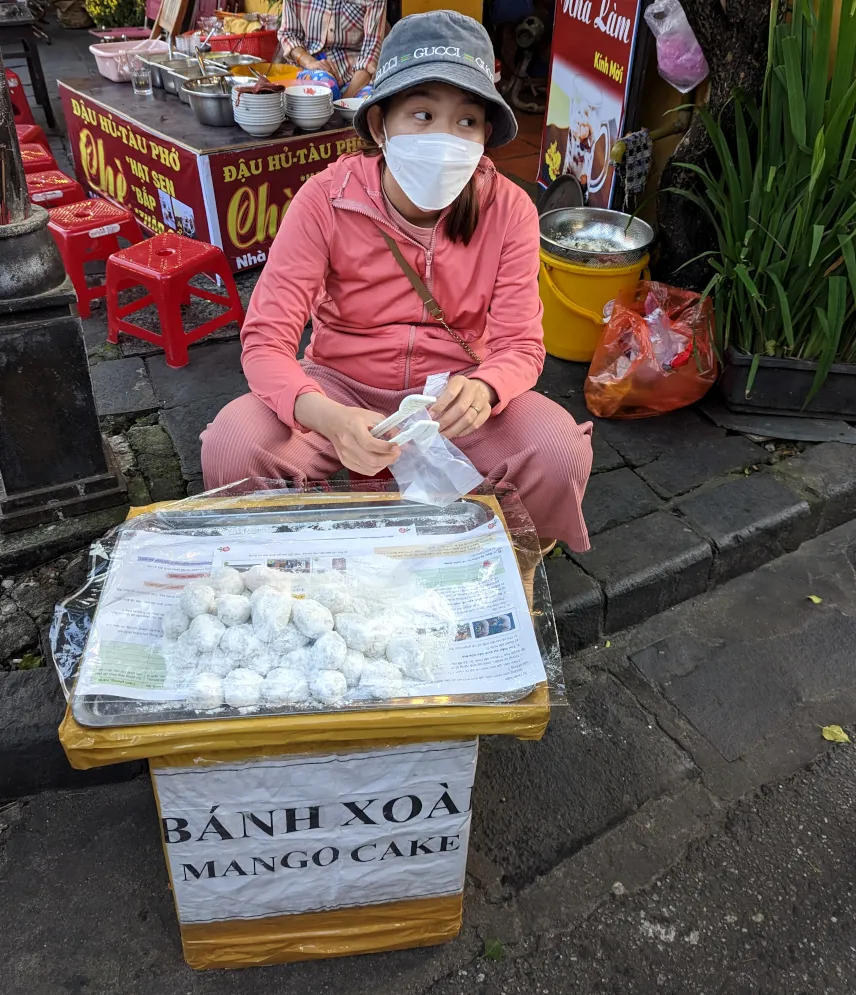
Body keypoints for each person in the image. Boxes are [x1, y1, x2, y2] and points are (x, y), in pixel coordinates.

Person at [202, 10, 593, 556]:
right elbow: (266, 341)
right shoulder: (324, 199)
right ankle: (281, 568)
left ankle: (512, 561)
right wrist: (329, 417)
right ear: (380, 124)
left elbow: (520, 346)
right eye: (423, 114)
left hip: (450, 401)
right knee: (234, 443)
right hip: (339, 386)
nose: (445, 137)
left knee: (556, 450)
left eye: (466, 121)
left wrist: (484, 389)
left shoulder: (512, 210)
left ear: (485, 133)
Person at [278, 0, 387, 98]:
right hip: (308, 70)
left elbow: (371, 52)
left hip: (355, 76)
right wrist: (310, 62)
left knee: (371, 100)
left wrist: (345, 100)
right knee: (325, 86)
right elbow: (289, 34)